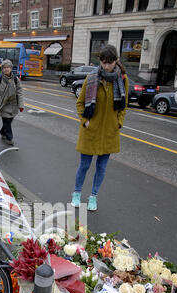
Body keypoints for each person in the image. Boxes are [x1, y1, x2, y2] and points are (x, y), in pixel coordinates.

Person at [71, 44, 129, 211]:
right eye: (103, 62)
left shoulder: (122, 80)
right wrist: (85, 121)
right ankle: (76, 193)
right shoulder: (92, 77)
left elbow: (123, 106)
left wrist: (119, 123)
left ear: (116, 61)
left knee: (101, 168)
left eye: (109, 62)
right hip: (90, 130)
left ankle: (93, 197)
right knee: (84, 165)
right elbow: (80, 103)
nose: (106, 66)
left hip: (109, 131)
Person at [0, 59, 24, 145]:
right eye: (4, 67)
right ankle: (9, 138)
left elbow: (20, 92)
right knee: (7, 121)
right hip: (3, 105)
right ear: (2, 69)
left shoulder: (15, 79)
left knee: (9, 120)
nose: (6, 69)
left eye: (8, 67)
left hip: (13, 105)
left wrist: (21, 105)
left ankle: (2, 131)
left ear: (11, 68)